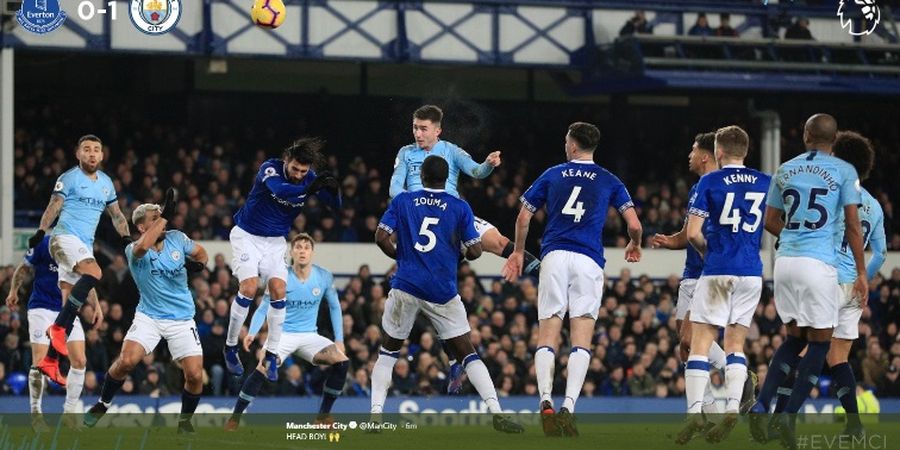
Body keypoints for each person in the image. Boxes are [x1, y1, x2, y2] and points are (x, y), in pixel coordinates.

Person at [502, 122, 642, 437]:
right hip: (589, 260)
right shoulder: (609, 180)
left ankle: (545, 399)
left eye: (566, 141)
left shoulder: (553, 173)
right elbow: (633, 223)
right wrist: (635, 243)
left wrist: (519, 252)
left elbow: (524, 216)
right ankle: (568, 407)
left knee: (548, 333)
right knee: (581, 338)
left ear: (573, 146)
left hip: (554, 256)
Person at [389, 105, 541, 392]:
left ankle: (546, 272)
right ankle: (454, 361)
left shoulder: (451, 150)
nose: (417, 133)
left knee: (497, 241)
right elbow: (395, 188)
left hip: (453, 216)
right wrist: (413, 206)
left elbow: (476, 171)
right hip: (421, 222)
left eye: (423, 128)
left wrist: (488, 164)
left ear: (437, 130)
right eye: (415, 127)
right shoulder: (405, 154)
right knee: (435, 293)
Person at [374, 155, 523, 434]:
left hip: (405, 284)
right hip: (441, 291)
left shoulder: (403, 201)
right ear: (447, 179)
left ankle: (375, 417)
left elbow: (381, 237)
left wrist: (403, 256)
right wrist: (458, 254)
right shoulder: (459, 206)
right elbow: (476, 250)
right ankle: (497, 413)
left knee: (388, 352)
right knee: (468, 352)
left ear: (421, 178)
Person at [750, 114, 868, 447]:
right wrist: (861, 272)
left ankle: (762, 403)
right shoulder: (845, 172)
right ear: (835, 140)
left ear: (805, 135)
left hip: (785, 261)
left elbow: (769, 220)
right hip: (820, 265)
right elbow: (854, 227)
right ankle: (787, 417)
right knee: (819, 343)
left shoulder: (785, 168)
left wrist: (793, 237)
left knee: (792, 339)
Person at [675, 126, 771, 443]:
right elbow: (775, 224)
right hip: (751, 272)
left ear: (718, 151)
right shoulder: (764, 182)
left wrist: (710, 252)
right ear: (745, 151)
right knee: (735, 344)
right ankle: (732, 406)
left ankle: (694, 413)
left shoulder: (710, 181)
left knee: (699, 343)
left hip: (718, 271)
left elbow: (691, 234)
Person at [84, 196, 209, 434]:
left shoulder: (178, 239)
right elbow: (143, 247)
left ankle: (184, 422)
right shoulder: (134, 249)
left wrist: (199, 265)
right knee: (126, 362)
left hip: (182, 318)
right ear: (142, 227)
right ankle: (103, 403)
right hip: (149, 317)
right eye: (156, 220)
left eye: (162, 218)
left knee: (194, 375)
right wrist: (164, 217)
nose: (164, 224)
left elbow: (202, 253)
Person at [652, 132, 756, 417]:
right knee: (684, 348)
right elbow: (690, 232)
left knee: (691, 340)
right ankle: (710, 412)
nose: (689, 155)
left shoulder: (717, 185)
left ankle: (739, 376)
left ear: (707, 156)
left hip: (708, 272)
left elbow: (703, 234)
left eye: (692, 150)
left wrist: (709, 255)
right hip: (691, 272)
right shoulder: (699, 187)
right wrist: (671, 241)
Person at [224, 138, 341, 382]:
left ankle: (271, 354)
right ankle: (231, 347)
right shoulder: (271, 168)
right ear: (287, 160)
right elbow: (280, 190)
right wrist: (310, 188)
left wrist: (333, 189)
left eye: (304, 171)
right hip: (247, 235)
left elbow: (334, 206)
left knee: (278, 290)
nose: (299, 174)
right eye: (295, 168)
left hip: (275, 241)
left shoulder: (309, 179)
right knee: (248, 287)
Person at [29, 135, 127, 385]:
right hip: (63, 239)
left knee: (69, 308)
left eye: (96, 150)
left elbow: (116, 215)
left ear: (102, 155)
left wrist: (126, 239)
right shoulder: (69, 178)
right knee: (96, 272)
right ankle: (57, 330)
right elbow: (54, 205)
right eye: (87, 149)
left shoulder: (106, 183)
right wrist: (41, 231)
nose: (92, 153)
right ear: (78, 154)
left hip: (82, 246)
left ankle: (50, 360)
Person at [225, 233, 349, 430]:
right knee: (263, 367)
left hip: (310, 335)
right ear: (291, 252)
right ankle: (235, 418)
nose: (302, 251)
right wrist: (252, 332)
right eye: (298, 247)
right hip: (281, 336)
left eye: (306, 247)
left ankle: (323, 417)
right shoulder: (280, 277)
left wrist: (339, 339)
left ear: (312, 253)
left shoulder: (324, 276)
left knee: (342, 363)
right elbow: (264, 306)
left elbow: (335, 307)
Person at [4, 235, 98, 430]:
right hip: (41, 308)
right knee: (40, 363)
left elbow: (87, 278)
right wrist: (13, 290)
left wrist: (96, 305)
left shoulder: (79, 246)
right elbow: (23, 268)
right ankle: (36, 414)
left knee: (80, 361)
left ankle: (69, 414)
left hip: (67, 308)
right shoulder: (43, 243)